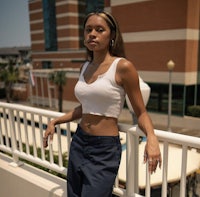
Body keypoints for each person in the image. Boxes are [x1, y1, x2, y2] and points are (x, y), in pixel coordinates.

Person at [43, 11, 162, 197]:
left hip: (104, 150)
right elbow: (86, 108)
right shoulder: (85, 67)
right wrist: (56, 121)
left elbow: (141, 112)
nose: (92, 34)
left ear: (112, 36)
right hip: (79, 141)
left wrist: (152, 138)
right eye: (88, 29)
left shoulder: (123, 67)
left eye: (100, 30)